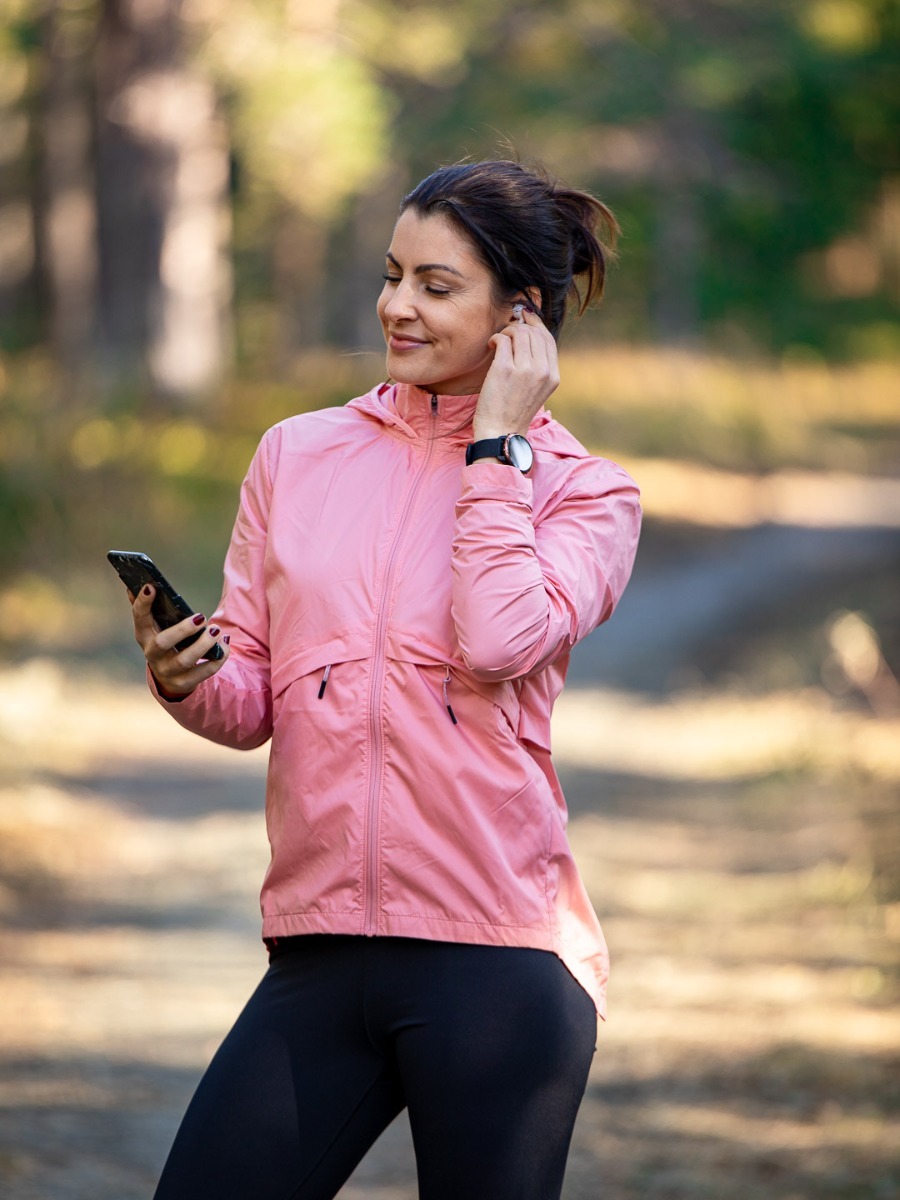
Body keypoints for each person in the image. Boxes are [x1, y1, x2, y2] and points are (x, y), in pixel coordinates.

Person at [127, 158, 641, 1200]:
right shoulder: (296, 455)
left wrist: (495, 447)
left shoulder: (589, 495)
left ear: (520, 319)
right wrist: (185, 676)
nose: (396, 306)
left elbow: (499, 640)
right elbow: (254, 700)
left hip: (497, 957)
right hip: (318, 949)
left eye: (436, 286)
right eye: (392, 273)